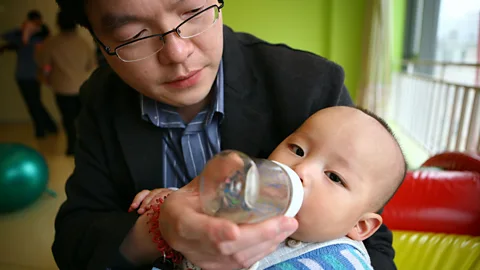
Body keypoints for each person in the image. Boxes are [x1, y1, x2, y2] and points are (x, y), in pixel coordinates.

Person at [52, 0, 399, 269]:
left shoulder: (310, 86)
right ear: (97, 41)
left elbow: (374, 246)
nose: (177, 52)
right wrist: (159, 228)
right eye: (133, 37)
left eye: (192, 11)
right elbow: (74, 243)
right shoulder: (101, 98)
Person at [131, 106, 407, 270]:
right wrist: (169, 200)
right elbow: (193, 209)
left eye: (334, 177)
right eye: (297, 149)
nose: (301, 170)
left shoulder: (340, 261)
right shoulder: (245, 201)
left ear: (360, 226)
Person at [36, 11, 97, 155]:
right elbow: (91, 65)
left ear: (58, 23)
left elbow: (44, 66)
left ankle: (71, 147)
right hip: (82, 86)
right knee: (82, 119)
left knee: (68, 119)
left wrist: (46, 79)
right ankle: (85, 148)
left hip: (62, 87)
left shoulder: (51, 43)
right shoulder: (83, 43)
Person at [1, 10, 57, 138]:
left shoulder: (41, 36)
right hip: (24, 75)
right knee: (34, 102)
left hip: (31, 75)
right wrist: (23, 29)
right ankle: (49, 127)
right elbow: (5, 35)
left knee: (34, 103)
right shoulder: (22, 37)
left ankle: (43, 129)